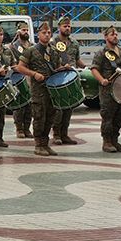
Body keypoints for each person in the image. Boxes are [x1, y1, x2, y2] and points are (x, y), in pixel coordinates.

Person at [17, 22, 60, 157]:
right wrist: (34, 74)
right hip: (38, 91)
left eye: (49, 33)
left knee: (50, 118)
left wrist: (63, 69)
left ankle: (45, 143)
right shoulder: (31, 50)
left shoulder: (53, 51)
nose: (47, 35)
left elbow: (56, 68)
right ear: (38, 34)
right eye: (44, 33)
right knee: (39, 118)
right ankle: (38, 145)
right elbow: (20, 67)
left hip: (52, 90)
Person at [92, 26, 121, 153]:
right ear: (106, 37)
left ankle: (115, 140)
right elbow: (94, 69)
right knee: (108, 117)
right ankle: (107, 142)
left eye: (116, 34)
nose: (115, 36)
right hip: (108, 91)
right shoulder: (101, 53)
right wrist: (102, 80)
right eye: (112, 34)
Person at [50, 16, 85, 145]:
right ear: (59, 27)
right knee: (58, 108)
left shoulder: (74, 43)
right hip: (57, 78)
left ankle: (64, 134)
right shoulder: (52, 43)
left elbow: (77, 59)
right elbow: (49, 61)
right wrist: (59, 67)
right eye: (65, 26)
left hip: (70, 78)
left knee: (69, 108)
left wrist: (85, 67)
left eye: (69, 26)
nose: (67, 28)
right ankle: (56, 134)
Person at [9, 22, 33, 139]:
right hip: (18, 77)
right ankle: (19, 128)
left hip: (30, 77)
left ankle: (27, 128)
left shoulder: (32, 45)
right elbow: (11, 63)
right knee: (19, 104)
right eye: (23, 30)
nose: (26, 32)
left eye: (27, 30)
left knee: (29, 105)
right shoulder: (13, 47)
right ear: (18, 32)